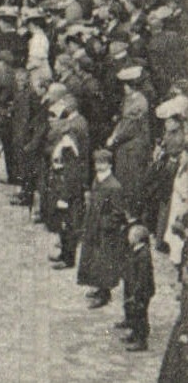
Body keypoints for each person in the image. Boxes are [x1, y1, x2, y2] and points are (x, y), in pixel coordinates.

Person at [76, 149, 128, 311]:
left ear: (109, 164)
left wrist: (105, 225)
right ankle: (98, 287)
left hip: (105, 232)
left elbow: (117, 213)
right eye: (97, 162)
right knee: (94, 260)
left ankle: (104, 294)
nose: (99, 165)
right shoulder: (98, 181)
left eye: (103, 162)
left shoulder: (114, 186)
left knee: (104, 262)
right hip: (93, 227)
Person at [121, 224, 155, 352]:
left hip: (141, 290)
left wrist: (137, 292)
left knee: (140, 314)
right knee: (135, 312)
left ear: (137, 238)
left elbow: (143, 277)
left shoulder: (143, 255)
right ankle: (134, 334)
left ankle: (141, 341)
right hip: (135, 288)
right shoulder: (137, 250)